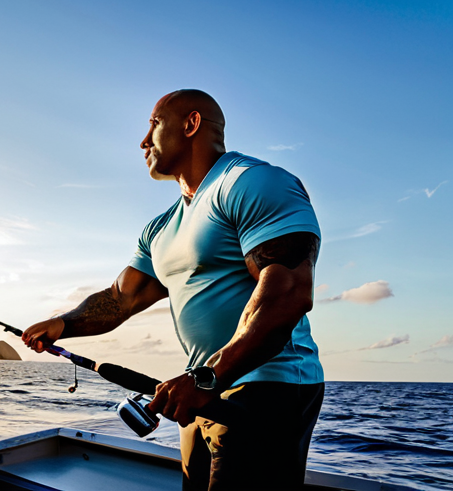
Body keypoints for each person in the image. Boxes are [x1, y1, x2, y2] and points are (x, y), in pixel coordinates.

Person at [22, 89, 324, 490]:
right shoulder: (161, 227)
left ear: (191, 124)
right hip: (204, 391)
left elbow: (287, 294)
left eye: (154, 124)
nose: (144, 140)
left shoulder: (253, 182)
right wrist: (62, 324)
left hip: (268, 385)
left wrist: (206, 377)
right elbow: (121, 298)